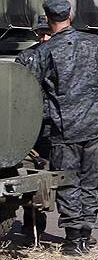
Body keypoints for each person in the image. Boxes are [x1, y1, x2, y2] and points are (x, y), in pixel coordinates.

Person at [26, 0, 98, 256]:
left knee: (69, 183)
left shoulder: (43, 52)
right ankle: (86, 234)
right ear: (70, 14)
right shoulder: (95, 43)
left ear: (47, 19)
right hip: (96, 126)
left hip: (64, 130)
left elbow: (30, 91)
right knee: (91, 182)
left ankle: (73, 240)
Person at [15, 15, 52, 244]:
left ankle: (75, 231)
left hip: (54, 124)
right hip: (32, 123)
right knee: (31, 173)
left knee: (56, 174)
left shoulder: (62, 56)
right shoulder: (26, 57)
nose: (44, 37)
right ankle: (32, 227)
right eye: (41, 33)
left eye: (48, 32)